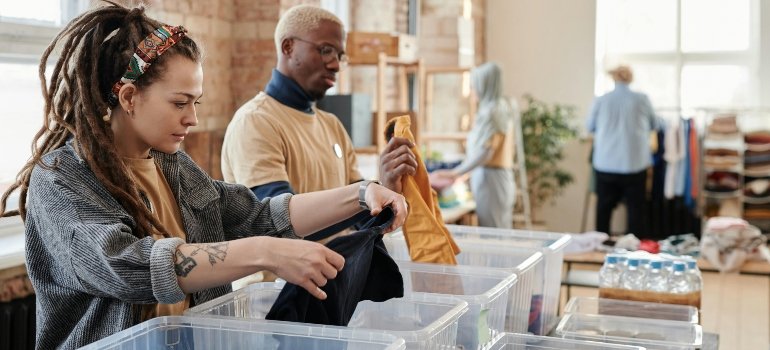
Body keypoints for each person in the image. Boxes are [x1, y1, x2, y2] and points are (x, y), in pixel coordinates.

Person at [0, 3, 406, 349]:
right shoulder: (60, 181)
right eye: (180, 102)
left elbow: (254, 216)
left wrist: (360, 194)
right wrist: (266, 253)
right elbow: (126, 265)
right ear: (128, 97)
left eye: (196, 102)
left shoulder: (170, 164)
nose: (192, 118)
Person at [221, 5, 417, 241]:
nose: (335, 65)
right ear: (288, 47)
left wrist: (387, 186)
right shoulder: (256, 122)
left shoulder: (332, 125)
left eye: (340, 56)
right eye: (326, 51)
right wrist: (363, 194)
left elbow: (363, 221)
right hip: (275, 279)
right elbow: (276, 225)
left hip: (331, 275)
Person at [429, 62, 516, 228]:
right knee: (499, 230)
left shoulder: (493, 111)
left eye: (475, 86)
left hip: (491, 180)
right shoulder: (500, 108)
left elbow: (486, 152)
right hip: (495, 178)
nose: (473, 91)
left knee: (494, 232)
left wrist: (455, 173)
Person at [586, 65, 664, 236]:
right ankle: (635, 251)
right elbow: (655, 125)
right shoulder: (642, 99)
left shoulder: (601, 100)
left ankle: (601, 247)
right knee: (636, 211)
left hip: (606, 163)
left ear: (613, 78)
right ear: (630, 78)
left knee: (604, 210)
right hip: (634, 164)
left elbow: (589, 127)